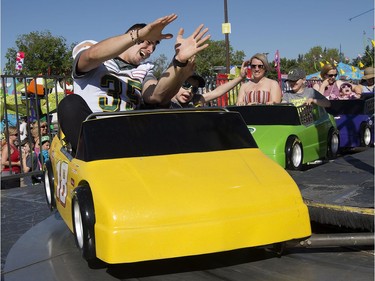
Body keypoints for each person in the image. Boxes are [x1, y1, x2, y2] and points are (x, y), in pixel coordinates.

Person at [58, 14, 210, 152]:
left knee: (163, 107)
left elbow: (156, 96)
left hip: (129, 136)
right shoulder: (98, 53)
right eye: (148, 42)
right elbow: (90, 56)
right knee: (69, 103)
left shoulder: (144, 70)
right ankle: (93, 155)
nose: (150, 50)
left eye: (154, 47)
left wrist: (179, 62)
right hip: (93, 136)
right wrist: (139, 35)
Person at [171, 61, 249, 108]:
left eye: (194, 89)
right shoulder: (165, 100)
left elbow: (217, 92)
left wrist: (240, 78)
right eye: (186, 85)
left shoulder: (193, 100)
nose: (189, 91)